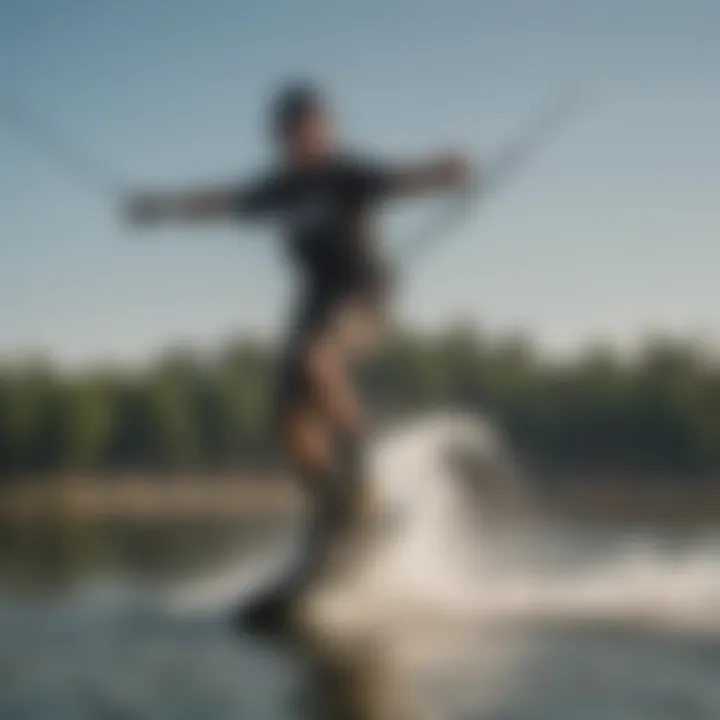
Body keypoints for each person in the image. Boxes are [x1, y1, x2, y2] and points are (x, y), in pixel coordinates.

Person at [125, 82, 474, 625]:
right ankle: (333, 506)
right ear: (280, 137)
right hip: (313, 306)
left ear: (326, 129)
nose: (305, 137)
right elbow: (221, 203)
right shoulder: (278, 188)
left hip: (363, 297)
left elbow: (399, 181)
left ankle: (364, 490)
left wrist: (442, 172)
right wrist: (161, 209)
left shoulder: (347, 174)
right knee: (287, 419)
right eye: (294, 130)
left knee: (319, 361)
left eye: (314, 126)